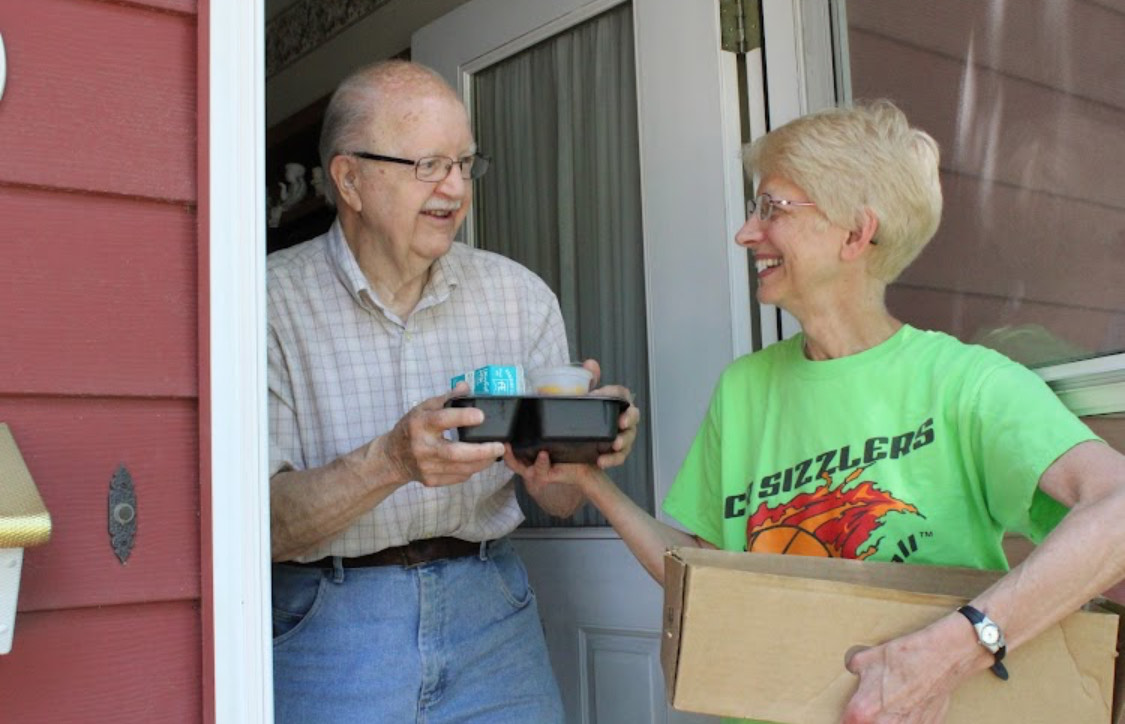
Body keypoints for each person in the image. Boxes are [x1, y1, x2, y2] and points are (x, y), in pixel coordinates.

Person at [508, 99, 1125, 723]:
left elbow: (1118, 508)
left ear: (856, 233)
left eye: (772, 208)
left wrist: (957, 649)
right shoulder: (744, 389)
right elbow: (706, 575)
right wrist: (590, 483)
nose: (747, 233)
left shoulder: (966, 383)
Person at [267, 59, 638, 724]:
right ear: (349, 179)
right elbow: (257, 524)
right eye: (429, 164)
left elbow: (550, 493)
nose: (455, 188)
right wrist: (389, 462)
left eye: (466, 163)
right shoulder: (265, 303)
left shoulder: (516, 294)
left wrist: (579, 447)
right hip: (326, 622)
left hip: (491, 611)